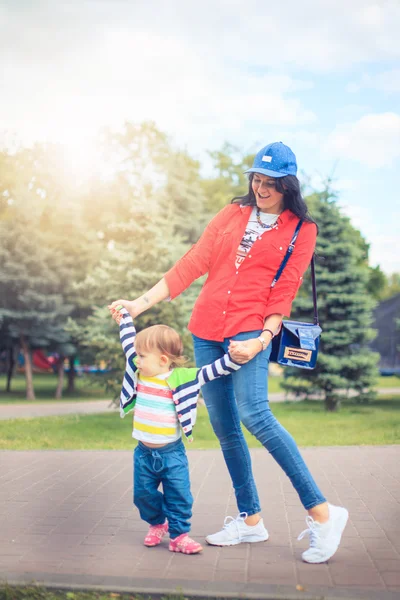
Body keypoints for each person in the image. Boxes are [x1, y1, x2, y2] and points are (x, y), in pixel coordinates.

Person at [110, 142, 349, 564]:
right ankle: (250, 520)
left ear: (286, 185)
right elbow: (193, 262)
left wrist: (261, 340)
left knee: (255, 413)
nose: (260, 187)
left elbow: (286, 290)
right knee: (225, 426)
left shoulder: (300, 229)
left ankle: (323, 513)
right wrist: (138, 304)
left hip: (249, 333)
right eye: (256, 178)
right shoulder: (232, 212)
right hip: (206, 330)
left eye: (270, 182)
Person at [109, 304, 242, 555]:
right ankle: (158, 523)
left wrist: (235, 356)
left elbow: (214, 370)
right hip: (143, 453)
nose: (136, 358)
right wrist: (124, 316)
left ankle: (179, 535)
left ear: (162, 360)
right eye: (136, 354)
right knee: (143, 496)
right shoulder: (139, 371)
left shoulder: (182, 378)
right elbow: (128, 340)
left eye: (142, 355)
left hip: (172, 454)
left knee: (179, 495)